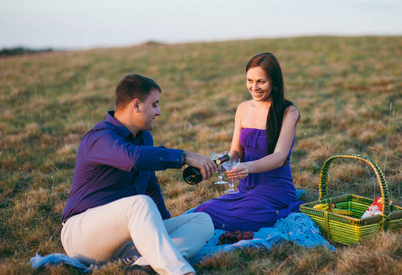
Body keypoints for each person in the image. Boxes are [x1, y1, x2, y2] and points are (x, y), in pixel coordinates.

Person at [61, 74, 217, 275]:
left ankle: (144, 266)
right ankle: (180, 271)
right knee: (140, 203)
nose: (159, 112)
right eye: (154, 104)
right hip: (83, 237)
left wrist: (162, 226)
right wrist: (184, 156)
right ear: (136, 105)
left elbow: (151, 185)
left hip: (126, 239)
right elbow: (132, 159)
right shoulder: (99, 137)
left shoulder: (144, 138)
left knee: (201, 220)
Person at [193, 53, 303, 232]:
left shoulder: (288, 111)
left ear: (274, 82)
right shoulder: (243, 108)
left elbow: (279, 157)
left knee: (238, 218)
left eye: (261, 81)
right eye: (250, 80)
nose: (254, 87)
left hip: (275, 188)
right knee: (202, 212)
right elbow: (236, 153)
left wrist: (248, 168)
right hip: (246, 188)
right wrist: (216, 165)